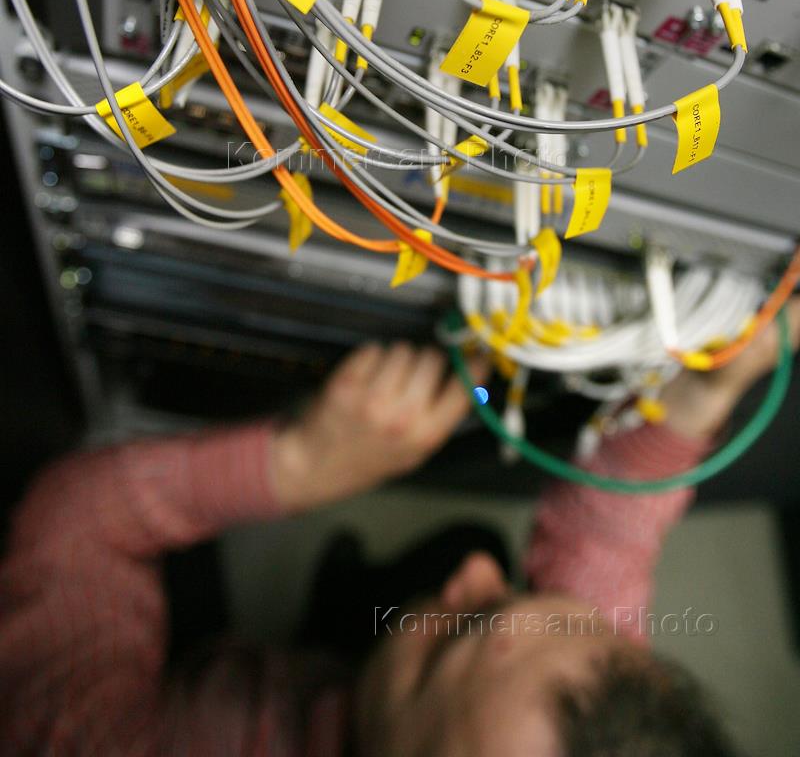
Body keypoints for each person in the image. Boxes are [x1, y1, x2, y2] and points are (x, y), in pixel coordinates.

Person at [0, 300, 798, 756]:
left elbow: (79, 524)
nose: (475, 580)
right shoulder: (598, 713)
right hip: (358, 675)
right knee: (468, 550)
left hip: (208, 692)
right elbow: (607, 541)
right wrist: (696, 400)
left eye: (458, 635)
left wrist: (299, 465)